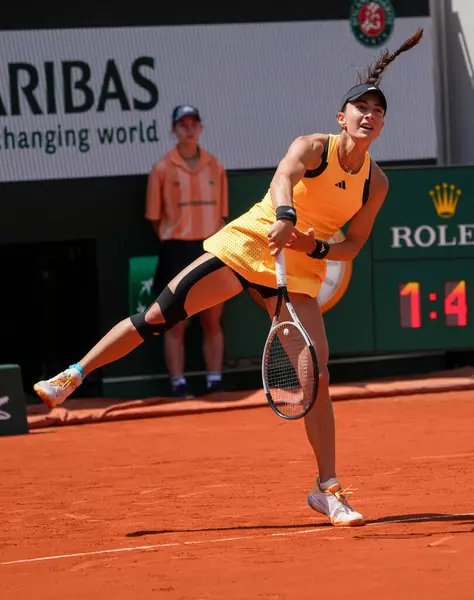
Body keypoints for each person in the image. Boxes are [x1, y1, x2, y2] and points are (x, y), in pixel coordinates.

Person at [33, 29, 423, 528]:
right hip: (251, 241)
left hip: (298, 267)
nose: (370, 117)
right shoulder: (311, 147)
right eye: (361, 109)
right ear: (341, 117)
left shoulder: (376, 182)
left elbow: (353, 244)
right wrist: (285, 214)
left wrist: (314, 245)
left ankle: (326, 488)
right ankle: (74, 375)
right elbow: (283, 176)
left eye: (378, 112)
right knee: (156, 317)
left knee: (316, 375)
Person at [145, 105, 228, 398]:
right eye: (182, 125)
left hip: (211, 248)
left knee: (212, 319)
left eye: (193, 124)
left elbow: (223, 213)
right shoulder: (161, 169)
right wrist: (177, 238)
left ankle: (214, 381)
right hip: (176, 250)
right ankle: (178, 383)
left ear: (200, 128)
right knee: (174, 323)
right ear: (173, 130)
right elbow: (155, 217)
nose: (188, 129)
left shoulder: (216, 166)